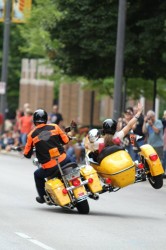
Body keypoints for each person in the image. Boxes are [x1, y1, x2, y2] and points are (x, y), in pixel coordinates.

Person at [23, 109, 71, 204]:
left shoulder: (31, 135)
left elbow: (27, 154)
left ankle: (43, 197)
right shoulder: (55, 127)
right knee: (74, 165)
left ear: (34, 120)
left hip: (50, 167)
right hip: (64, 159)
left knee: (37, 175)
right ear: (46, 119)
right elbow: (65, 141)